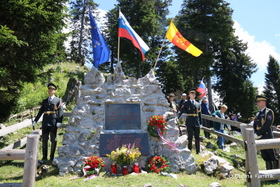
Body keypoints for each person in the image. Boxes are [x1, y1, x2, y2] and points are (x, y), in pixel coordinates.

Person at [32, 83, 63, 161]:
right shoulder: (45, 101)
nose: (50, 90)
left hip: (53, 121)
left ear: (55, 91)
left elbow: (60, 111)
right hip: (45, 122)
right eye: (49, 89)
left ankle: (52, 156)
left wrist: (59, 121)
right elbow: (41, 111)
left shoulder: (58, 100)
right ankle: (44, 156)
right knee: (44, 139)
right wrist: (35, 120)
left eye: (52, 89)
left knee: (53, 139)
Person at [253, 95, 279, 173]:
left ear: (264, 102)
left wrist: (258, 133)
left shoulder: (268, 112)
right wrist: (255, 133)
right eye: (257, 102)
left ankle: (275, 176)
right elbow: (255, 124)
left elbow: (267, 125)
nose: (257, 103)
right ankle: (268, 174)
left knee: (272, 156)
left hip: (267, 136)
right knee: (265, 156)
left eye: (259, 102)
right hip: (260, 137)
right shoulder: (258, 113)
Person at [178, 88, 202, 154]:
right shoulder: (186, 103)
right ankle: (189, 149)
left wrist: (201, 123)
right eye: (192, 93)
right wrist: (177, 117)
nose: (193, 95)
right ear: (189, 95)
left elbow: (200, 114)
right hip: (189, 121)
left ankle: (198, 151)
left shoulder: (198, 104)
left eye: (194, 94)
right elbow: (181, 111)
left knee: (197, 137)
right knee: (190, 136)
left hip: (196, 121)